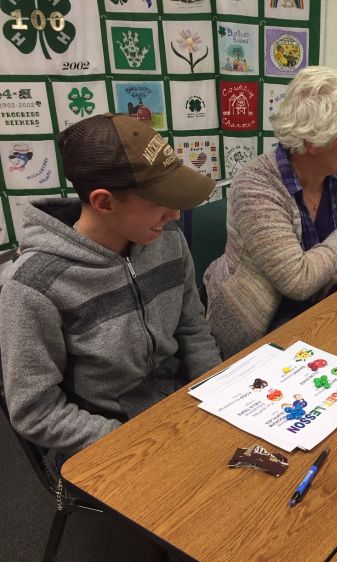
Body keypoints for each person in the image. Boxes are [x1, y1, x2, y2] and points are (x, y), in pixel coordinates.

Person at [0, 113, 222, 469]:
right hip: (103, 437)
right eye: (160, 201)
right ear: (104, 202)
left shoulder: (166, 240)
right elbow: (35, 411)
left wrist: (217, 390)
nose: (175, 215)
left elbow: (192, 326)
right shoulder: (33, 287)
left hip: (177, 407)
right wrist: (132, 442)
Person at [204, 66, 337, 358]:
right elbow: (298, 281)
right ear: (313, 142)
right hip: (259, 329)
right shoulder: (256, 185)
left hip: (329, 307)